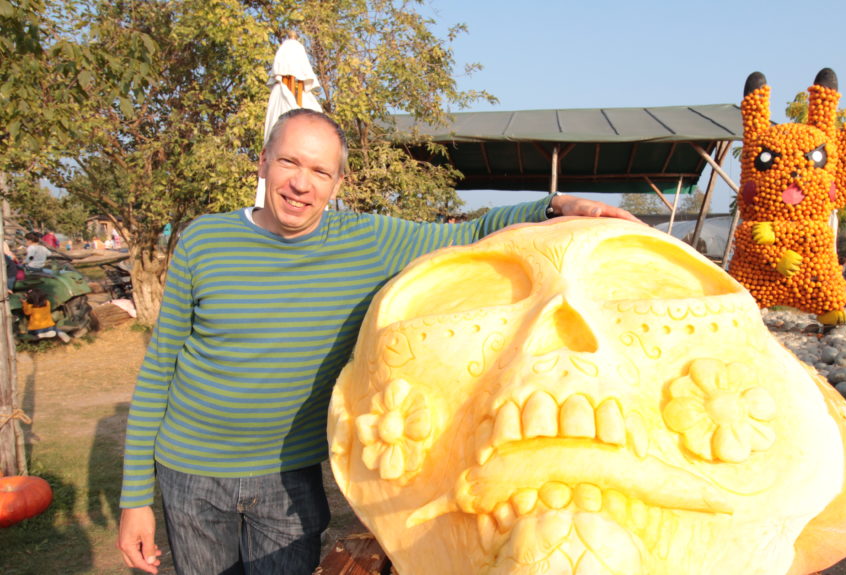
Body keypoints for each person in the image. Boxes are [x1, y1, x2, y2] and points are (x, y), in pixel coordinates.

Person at [116, 108, 640, 575]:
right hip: (189, 471)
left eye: (320, 171)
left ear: (337, 182)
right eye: (289, 163)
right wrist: (134, 500)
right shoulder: (204, 241)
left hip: (289, 476)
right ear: (263, 163)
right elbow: (160, 368)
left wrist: (559, 205)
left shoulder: (366, 241)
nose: (301, 183)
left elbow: (470, 235)